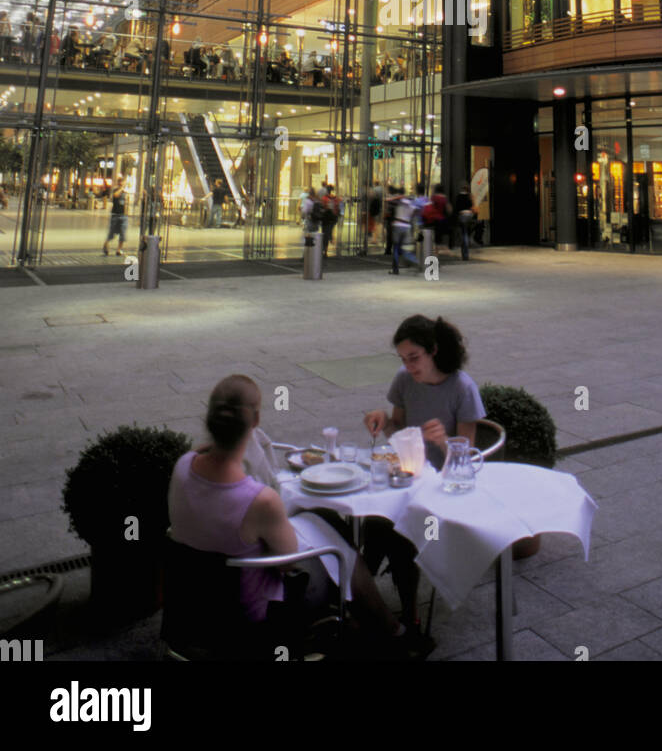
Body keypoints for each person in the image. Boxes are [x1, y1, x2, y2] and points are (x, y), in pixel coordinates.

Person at [167, 374, 415, 654]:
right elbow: (288, 564)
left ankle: (366, 622)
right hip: (250, 611)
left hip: (192, 599)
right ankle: (392, 632)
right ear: (256, 421)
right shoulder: (259, 500)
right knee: (340, 551)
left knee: (323, 526)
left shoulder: (182, 467)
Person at [363, 315, 485, 632]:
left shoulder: (462, 387)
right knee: (376, 522)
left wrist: (444, 441)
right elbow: (398, 431)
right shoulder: (404, 380)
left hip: (441, 485)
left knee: (393, 531)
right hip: (407, 477)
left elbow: (467, 463)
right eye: (404, 359)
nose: (409, 366)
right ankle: (365, 599)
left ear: (433, 350)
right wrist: (382, 419)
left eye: (414, 358)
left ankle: (381, 606)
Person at [390, 186, 418, 275]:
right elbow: (414, 212)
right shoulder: (410, 202)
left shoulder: (398, 201)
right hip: (407, 226)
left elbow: (388, 200)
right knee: (406, 248)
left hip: (398, 225)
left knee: (396, 247)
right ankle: (415, 261)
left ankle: (395, 269)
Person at [101, 176, 128, 256]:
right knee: (111, 233)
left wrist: (126, 213)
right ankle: (106, 245)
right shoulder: (115, 190)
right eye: (121, 182)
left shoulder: (124, 192)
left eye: (123, 182)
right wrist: (121, 188)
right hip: (115, 215)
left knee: (123, 233)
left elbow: (125, 203)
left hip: (123, 215)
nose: (122, 184)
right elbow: (115, 196)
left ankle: (119, 250)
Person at [454, 181, 474, 260]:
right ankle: (469, 241)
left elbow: (457, 208)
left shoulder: (459, 196)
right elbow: (472, 206)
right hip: (469, 215)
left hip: (462, 215)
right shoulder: (469, 196)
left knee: (463, 233)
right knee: (467, 232)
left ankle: (465, 254)